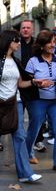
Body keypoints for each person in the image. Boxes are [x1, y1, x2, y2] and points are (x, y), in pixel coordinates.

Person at [0, 29, 44, 182]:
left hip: (15, 103)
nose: (19, 43)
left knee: (20, 136)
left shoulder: (16, 61)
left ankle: (25, 174)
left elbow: (20, 83)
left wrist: (34, 82)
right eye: (17, 41)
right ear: (9, 42)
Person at [25, 30, 56, 170]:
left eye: (54, 42)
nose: (52, 45)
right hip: (37, 100)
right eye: (49, 42)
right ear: (42, 45)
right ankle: (27, 153)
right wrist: (36, 82)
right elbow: (26, 81)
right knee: (34, 129)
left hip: (54, 101)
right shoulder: (33, 61)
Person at [15, 20, 47, 153]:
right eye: (23, 28)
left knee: (37, 116)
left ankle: (38, 141)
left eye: (28, 28)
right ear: (20, 30)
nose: (26, 30)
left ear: (32, 30)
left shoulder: (38, 45)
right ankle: (21, 140)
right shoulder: (15, 44)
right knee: (18, 117)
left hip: (35, 86)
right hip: (18, 86)